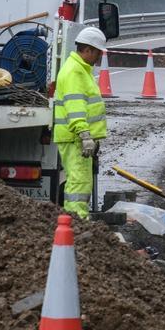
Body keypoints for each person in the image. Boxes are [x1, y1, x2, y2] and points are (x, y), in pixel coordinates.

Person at [53, 27, 108, 218]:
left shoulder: (81, 69)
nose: (99, 57)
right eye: (98, 53)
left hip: (77, 138)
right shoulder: (75, 72)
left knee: (80, 181)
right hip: (76, 138)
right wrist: (84, 135)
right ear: (88, 50)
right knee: (78, 183)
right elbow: (75, 107)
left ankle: (75, 224)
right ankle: (75, 226)